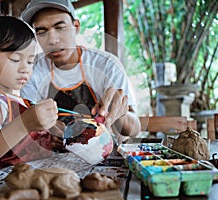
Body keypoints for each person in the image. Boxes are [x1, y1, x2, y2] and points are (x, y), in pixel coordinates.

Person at [20, 0, 141, 143]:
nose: (52, 40)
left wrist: (119, 114)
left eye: (60, 28)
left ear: (76, 27)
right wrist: (44, 135)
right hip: (52, 158)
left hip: (104, 157)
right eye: (42, 32)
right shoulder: (30, 69)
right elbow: (23, 124)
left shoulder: (106, 65)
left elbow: (134, 129)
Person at [0, 15, 58, 174]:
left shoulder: (25, 103)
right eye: (15, 59)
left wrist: (49, 139)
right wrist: (25, 124)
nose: (25, 69)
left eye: (30, 61)